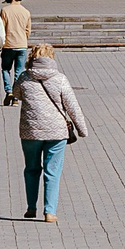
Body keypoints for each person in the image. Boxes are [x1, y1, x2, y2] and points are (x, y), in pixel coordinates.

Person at [9, 43, 89, 221]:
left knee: (31, 169)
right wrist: (82, 130)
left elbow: (16, 94)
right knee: (52, 171)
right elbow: (72, 107)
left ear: (32, 57)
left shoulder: (24, 77)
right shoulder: (60, 79)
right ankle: (50, 212)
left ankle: (31, 207)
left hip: (30, 131)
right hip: (56, 132)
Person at [0, 0, 32, 90]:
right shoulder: (26, 12)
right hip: (22, 45)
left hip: (8, 44)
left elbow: (1, 29)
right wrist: (24, 39)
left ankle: (8, 90)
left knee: (5, 69)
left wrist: (1, 43)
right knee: (19, 71)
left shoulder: (5, 10)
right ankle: (16, 96)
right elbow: (28, 30)